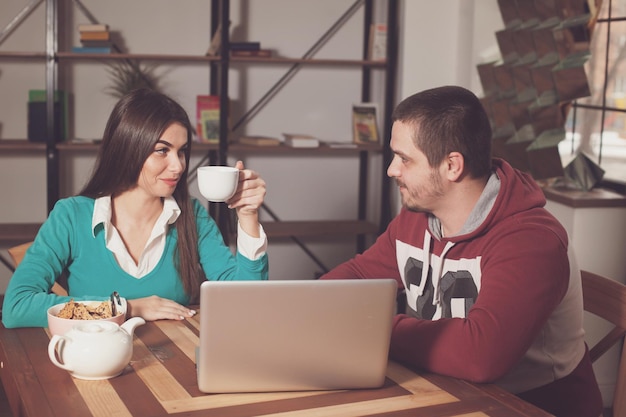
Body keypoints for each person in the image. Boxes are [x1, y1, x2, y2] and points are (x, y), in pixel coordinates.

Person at [320, 86, 602, 417]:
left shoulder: (532, 240)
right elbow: (358, 275)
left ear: (452, 165)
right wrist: (312, 304)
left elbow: (481, 356)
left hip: (528, 407)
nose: (392, 169)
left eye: (405, 158)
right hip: (445, 393)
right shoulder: (415, 216)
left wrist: (372, 326)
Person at [2, 88, 269, 328]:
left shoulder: (193, 217)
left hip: (172, 369)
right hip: (94, 369)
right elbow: (17, 307)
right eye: (162, 151)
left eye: (182, 151)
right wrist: (127, 307)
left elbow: (245, 305)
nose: (178, 166)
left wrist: (247, 217)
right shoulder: (71, 217)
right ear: (128, 149)